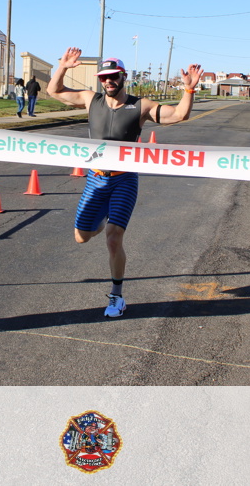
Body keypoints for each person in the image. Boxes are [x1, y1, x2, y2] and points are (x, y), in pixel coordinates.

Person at [47, 47, 203, 317]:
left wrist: (188, 90)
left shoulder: (140, 106)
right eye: (104, 77)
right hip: (96, 179)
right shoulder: (91, 100)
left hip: (124, 181)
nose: (109, 81)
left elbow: (179, 115)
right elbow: (54, 91)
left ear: (123, 77)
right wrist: (62, 66)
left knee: (113, 238)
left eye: (114, 76)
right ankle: (102, 218)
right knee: (81, 237)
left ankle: (116, 297)